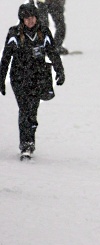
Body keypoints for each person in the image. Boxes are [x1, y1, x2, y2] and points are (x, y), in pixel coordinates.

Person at [0, 3, 65, 159]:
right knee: (25, 110)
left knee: (32, 112)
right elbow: (6, 57)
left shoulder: (44, 31)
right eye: (26, 18)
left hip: (38, 77)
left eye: (32, 17)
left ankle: (30, 142)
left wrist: (59, 70)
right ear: (21, 19)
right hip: (19, 78)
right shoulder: (14, 33)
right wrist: (1, 79)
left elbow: (53, 52)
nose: (30, 21)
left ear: (37, 17)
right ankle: (26, 145)